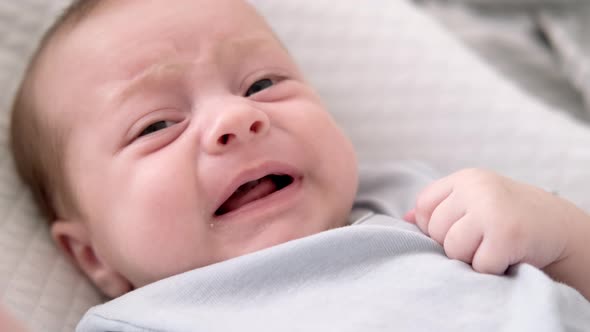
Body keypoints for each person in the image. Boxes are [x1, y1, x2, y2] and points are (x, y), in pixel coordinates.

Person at [8, 0, 590, 330]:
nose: (237, 117)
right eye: (157, 125)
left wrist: (555, 230)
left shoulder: (419, 204)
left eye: (263, 83)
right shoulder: (142, 321)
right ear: (91, 256)